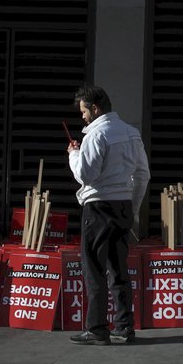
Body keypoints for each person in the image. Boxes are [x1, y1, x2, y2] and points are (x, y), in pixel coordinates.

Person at [66, 85, 150, 345]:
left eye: (83, 111)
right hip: (122, 205)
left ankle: (97, 329)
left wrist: (74, 154)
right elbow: (143, 174)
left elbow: (85, 175)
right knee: (119, 269)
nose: (82, 117)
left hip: (98, 208)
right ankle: (125, 327)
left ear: (95, 108)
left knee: (94, 269)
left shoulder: (96, 134)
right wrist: (132, 208)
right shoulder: (131, 133)